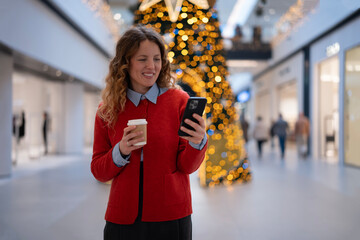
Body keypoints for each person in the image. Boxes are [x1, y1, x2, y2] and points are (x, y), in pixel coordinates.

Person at [91, 25, 208, 240]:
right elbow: (99, 171)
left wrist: (197, 142)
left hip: (172, 216)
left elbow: (187, 166)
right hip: (123, 218)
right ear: (125, 63)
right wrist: (121, 150)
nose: (151, 66)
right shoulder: (108, 109)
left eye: (157, 59)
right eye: (142, 59)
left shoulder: (179, 101)